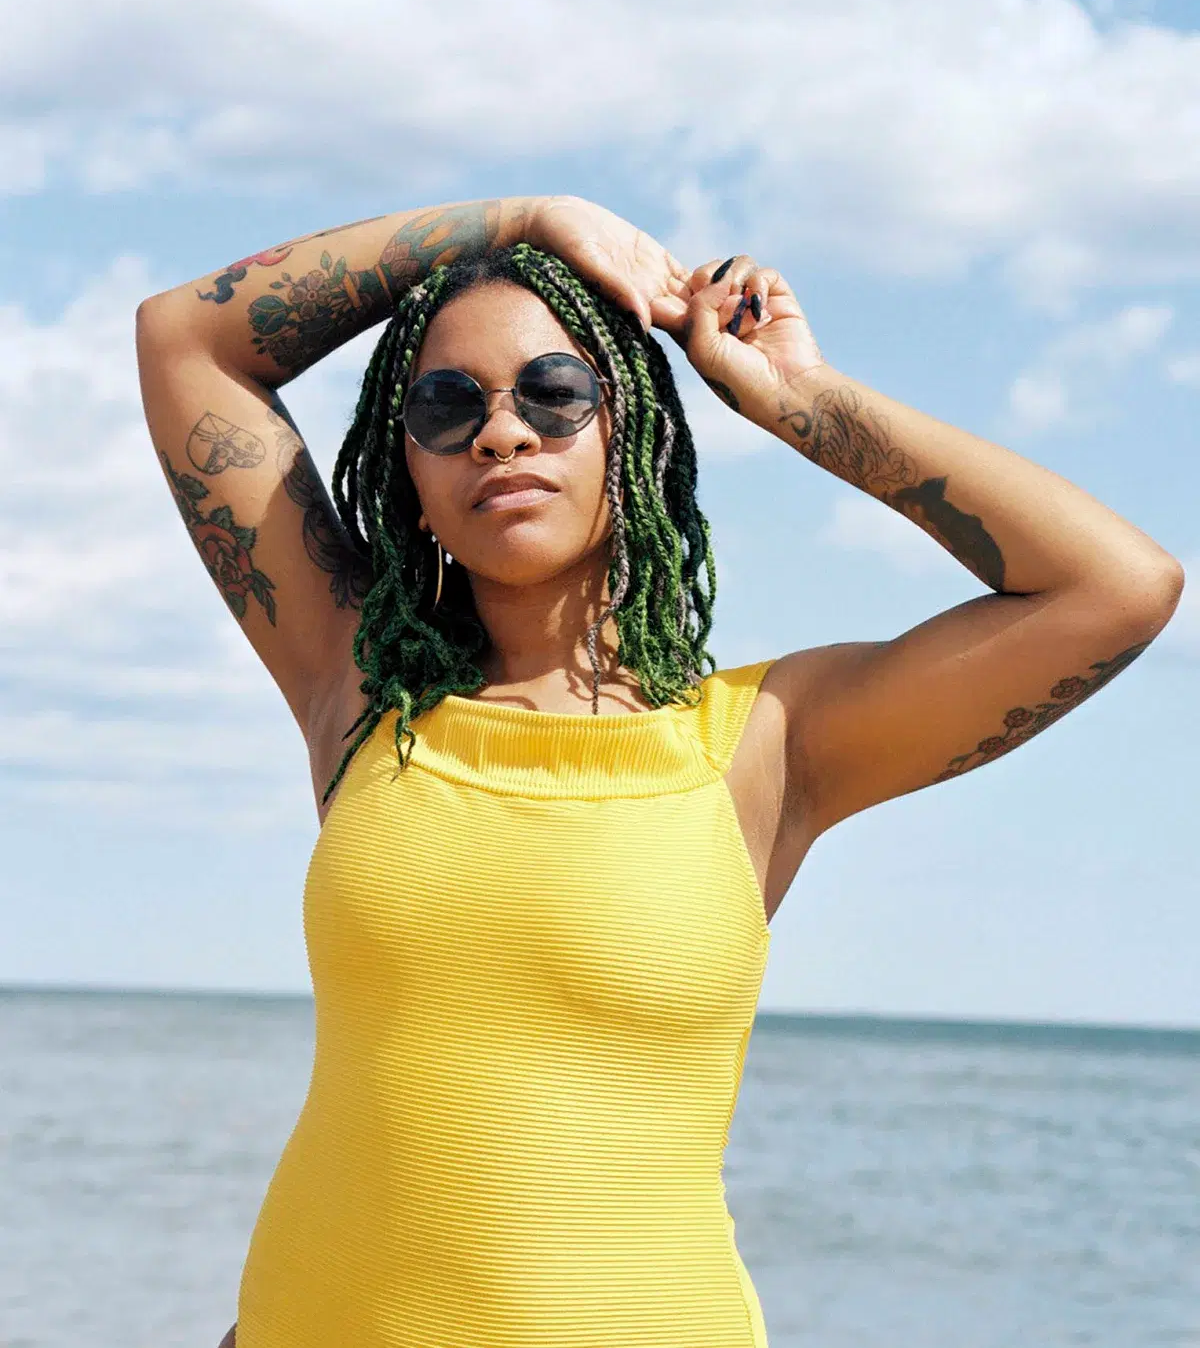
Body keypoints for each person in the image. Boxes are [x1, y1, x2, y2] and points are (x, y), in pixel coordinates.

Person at [136, 194, 1183, 1347]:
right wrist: (522, 216)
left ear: (633, 428)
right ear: (412, 467)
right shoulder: (358, 694)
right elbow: (187, 339)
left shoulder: (766, 744)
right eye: (447, 404)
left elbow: (1117, 588)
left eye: (554, 391)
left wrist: (795, 402)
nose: (502, 433)